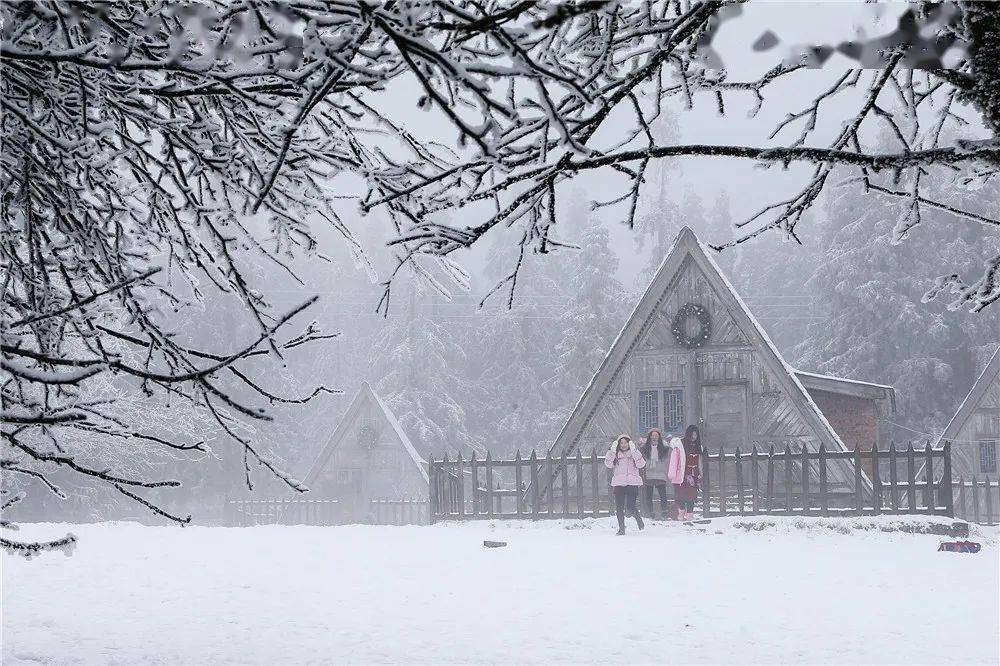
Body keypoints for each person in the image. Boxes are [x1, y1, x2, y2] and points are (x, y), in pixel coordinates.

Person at [605, 435, 645, 535]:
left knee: (631, 506)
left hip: (632, 483)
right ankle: (621, 529)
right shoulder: (615, 455)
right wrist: (612, 451)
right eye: (621, 443)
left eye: (625, 442)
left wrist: (634, 450)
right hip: (619, 483)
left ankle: (638, 518)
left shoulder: (634, 454)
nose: (623, 445)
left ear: (629, 443)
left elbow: (641, 464)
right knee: (619, 507)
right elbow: (608, 464)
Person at [672, 425, 702, 521]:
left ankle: (689, 514)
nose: (694, 436)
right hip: (682, 473)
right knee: (680, 494)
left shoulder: (698, 446)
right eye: (692, 434)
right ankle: (681, 511)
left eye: (696, 434)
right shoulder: (681, 445)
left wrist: (701, 473)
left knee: (691, 495)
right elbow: (674, 459)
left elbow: (699, 461)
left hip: (693, 474)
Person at [639, 428, 669, 518]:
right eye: (653, 435)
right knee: (649, 495)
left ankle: (664, 511)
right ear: (650, 437)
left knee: (663, 494)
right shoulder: (645, 448)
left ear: (659, 437)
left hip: (660, 473)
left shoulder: (664, 448)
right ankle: (651, 512)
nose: (654, 437)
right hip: (649, 473)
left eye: (656, 435)